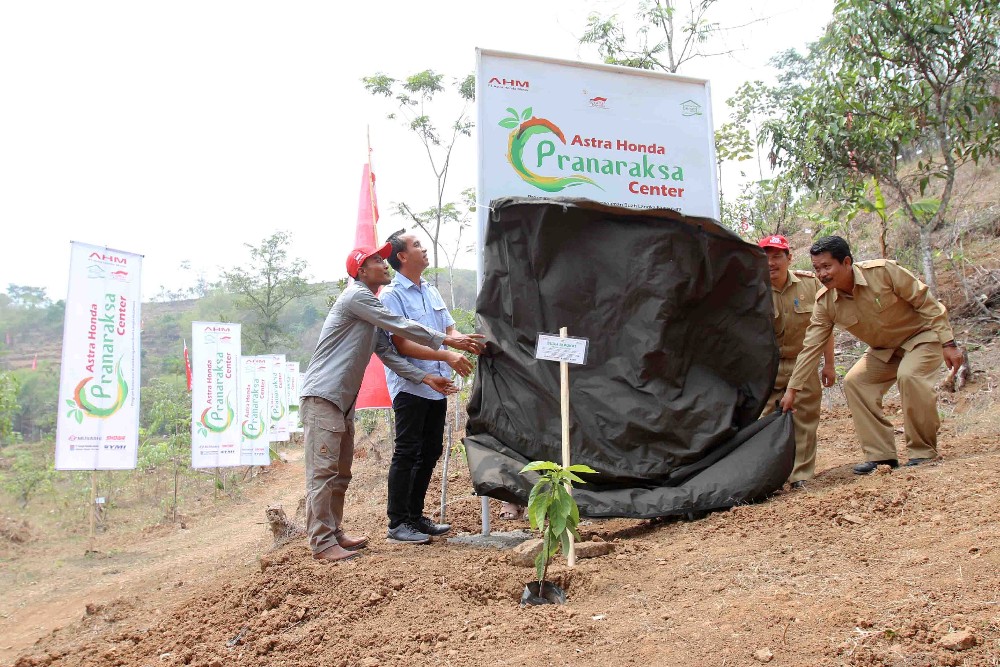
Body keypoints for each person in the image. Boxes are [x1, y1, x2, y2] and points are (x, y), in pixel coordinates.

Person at [299, 243, 485, 563]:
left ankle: (334, 530)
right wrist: (447, 340)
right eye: (375, 261)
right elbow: (401, 327)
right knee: (323, 472)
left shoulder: (369, 309)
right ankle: (321, 541)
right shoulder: (359, 297)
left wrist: (425, 378)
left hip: (341, 400)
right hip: (323, 396)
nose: (383, 264)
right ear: (361, 271)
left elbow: (387, 353)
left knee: (340, 472)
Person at [780, 236, 964, 474]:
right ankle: (881, 456)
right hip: (883, 351)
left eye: (827, 266)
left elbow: (925, 302)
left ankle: (923, 451)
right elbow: (811, 347)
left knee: (910, 377)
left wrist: (948, 342)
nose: (822, 274)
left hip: (921, 338)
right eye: (816, 269)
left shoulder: (883, 272)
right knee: (855, 382)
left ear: (846, 262)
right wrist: (793, 390)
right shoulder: (826, 302)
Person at [379, 230, 479, 544]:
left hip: (437, 384)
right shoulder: (392, 296)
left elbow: (449, 328)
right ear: (402, 257)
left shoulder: (431, 290)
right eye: (417, 245)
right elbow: (403, 343)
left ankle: (414, 516)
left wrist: (463, 344)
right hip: (411, 384)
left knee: (431, 450)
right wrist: (447, 353)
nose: (424, 249)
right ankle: (398, 523)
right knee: (408, 451)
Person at [757, 234, 836, 490]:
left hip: (802, 364)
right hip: (766, 369)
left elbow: (825, 328)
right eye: (765, 257)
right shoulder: (751, 290)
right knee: (763, 422)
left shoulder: (810, 284)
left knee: (805, 420)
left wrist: (829, 364)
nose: (771, 263)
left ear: (789, 258)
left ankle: (801, 475)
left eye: (777, 256)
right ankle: (767, 478)